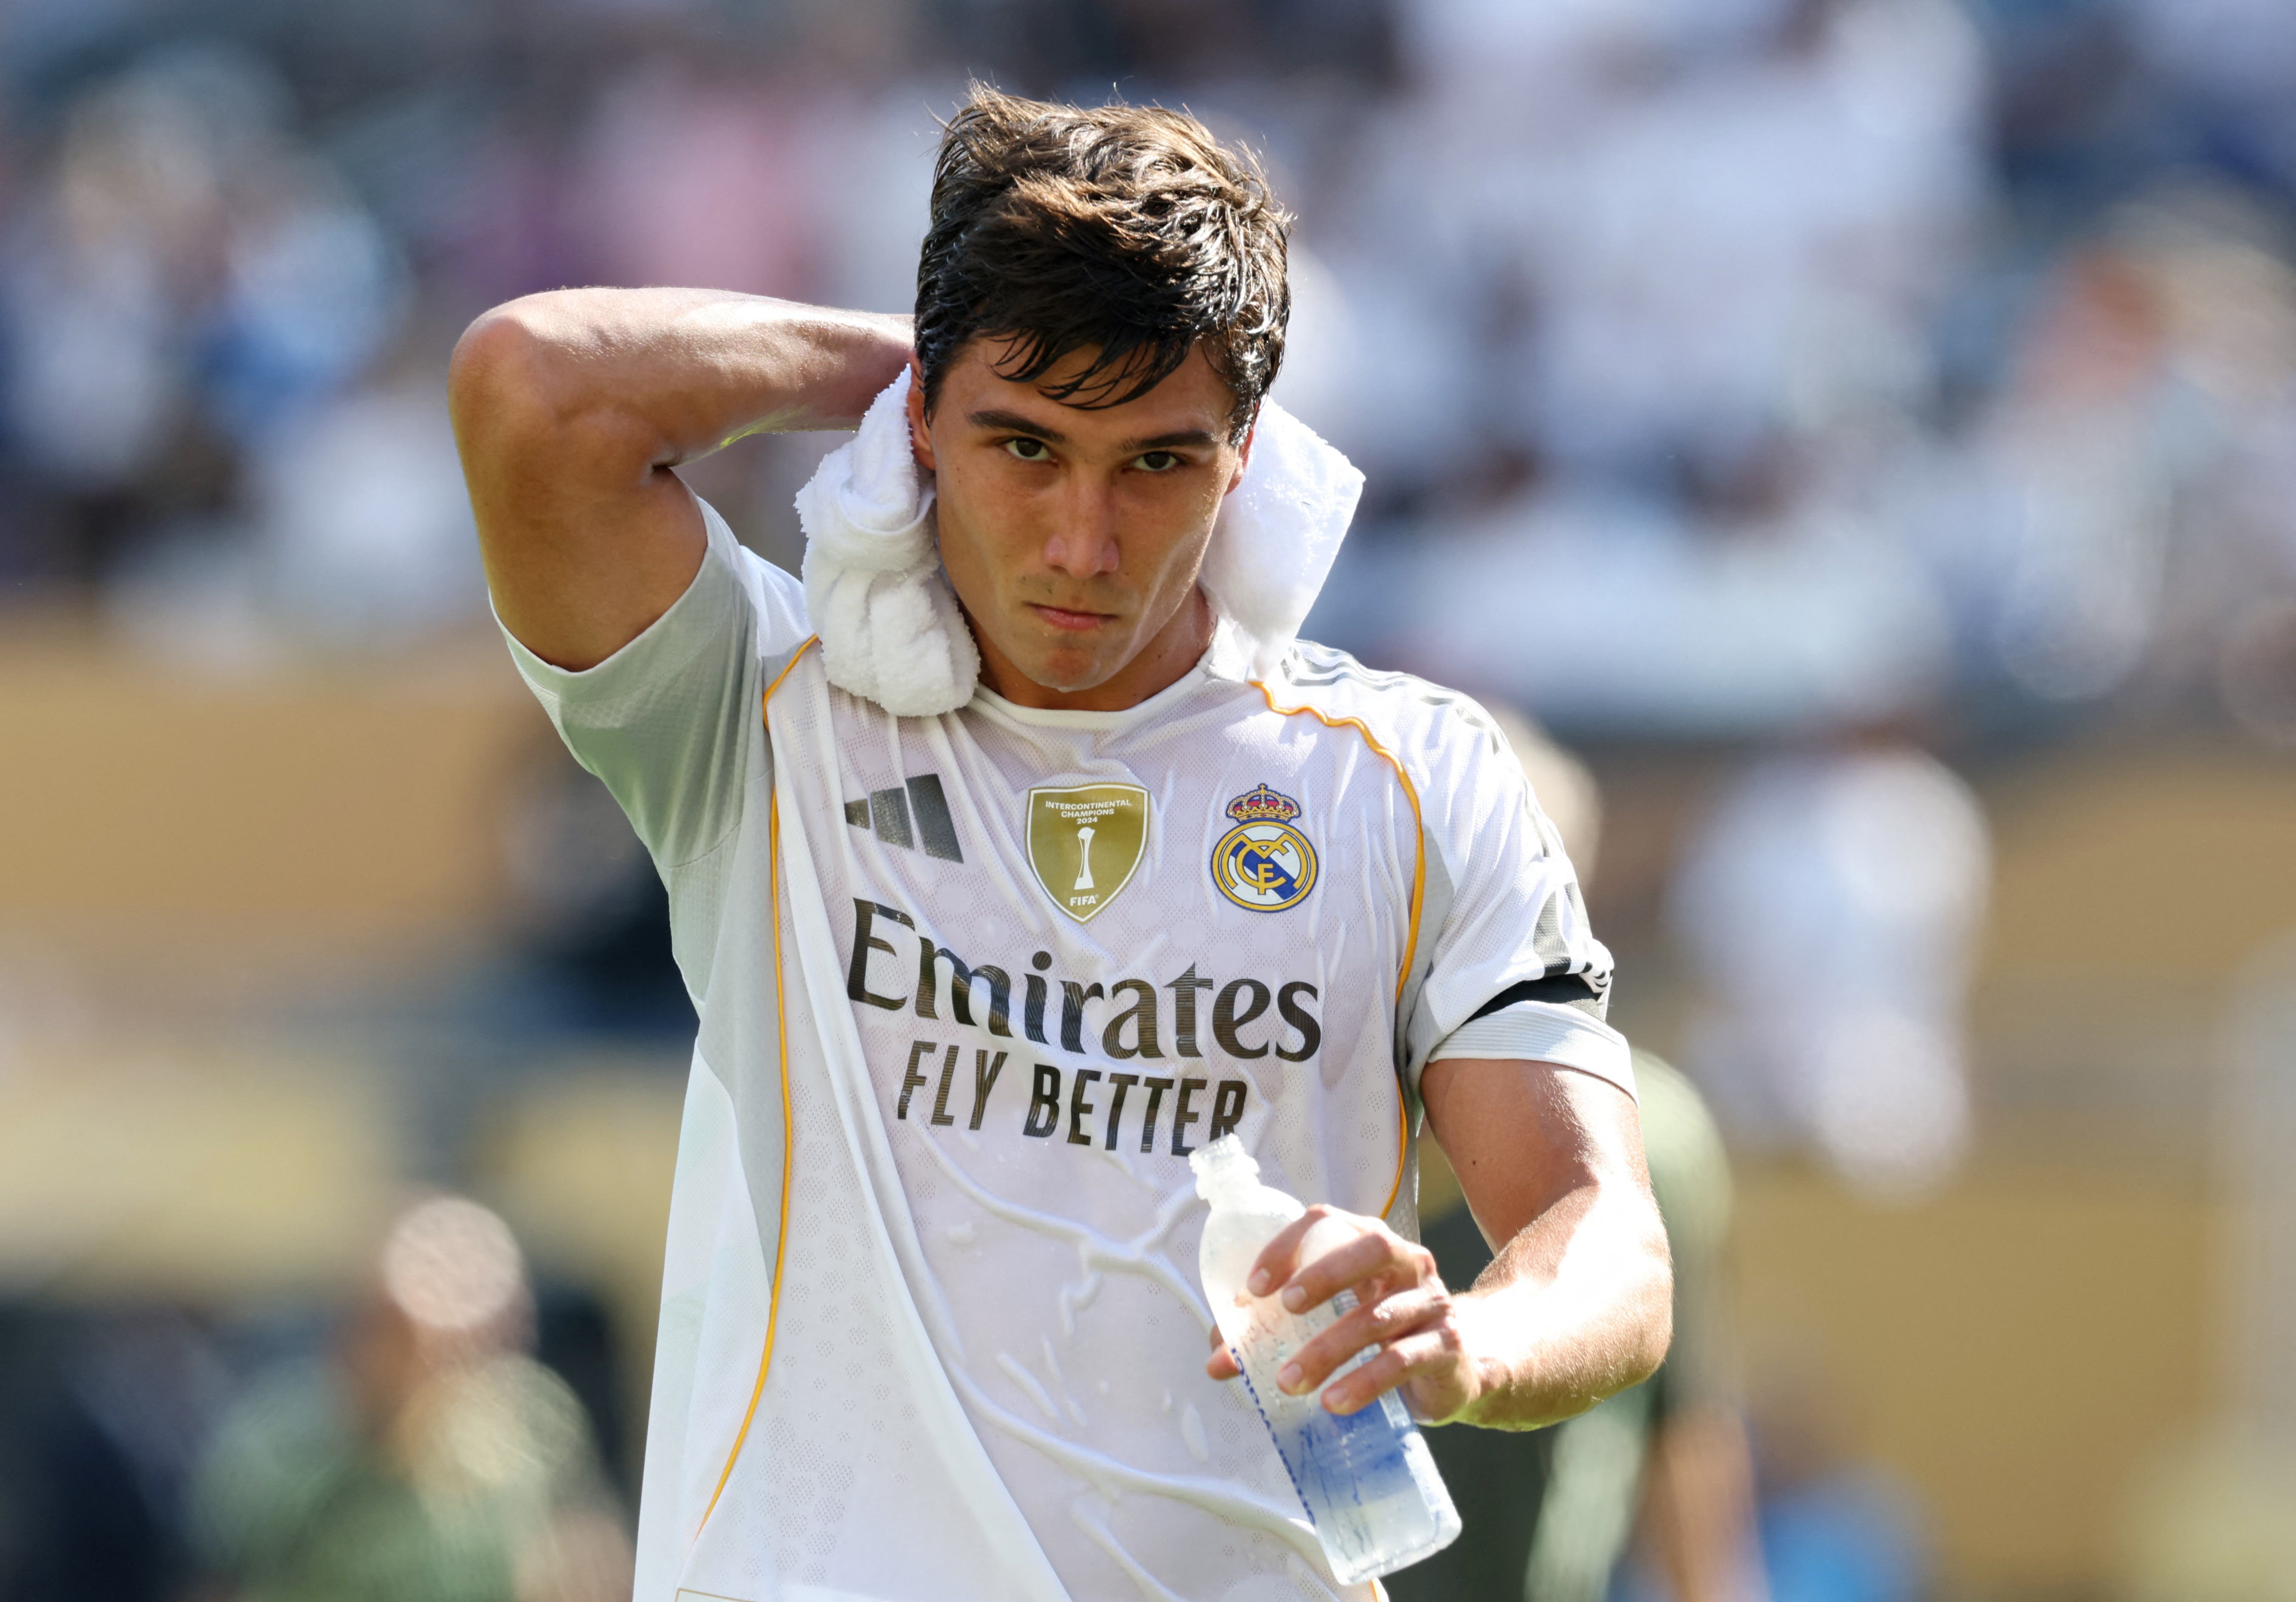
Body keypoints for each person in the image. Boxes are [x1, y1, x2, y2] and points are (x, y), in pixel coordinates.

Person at [449, 86, 1672, 1602]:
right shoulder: (763, 711)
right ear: (922, 432)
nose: (1082, 543)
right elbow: (530, 388)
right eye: (1024, 447)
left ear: (1248, 459)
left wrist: (1471, 1341)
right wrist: (948, 344)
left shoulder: (1413, 780)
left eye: (1155, 461)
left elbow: (1604, 1238)